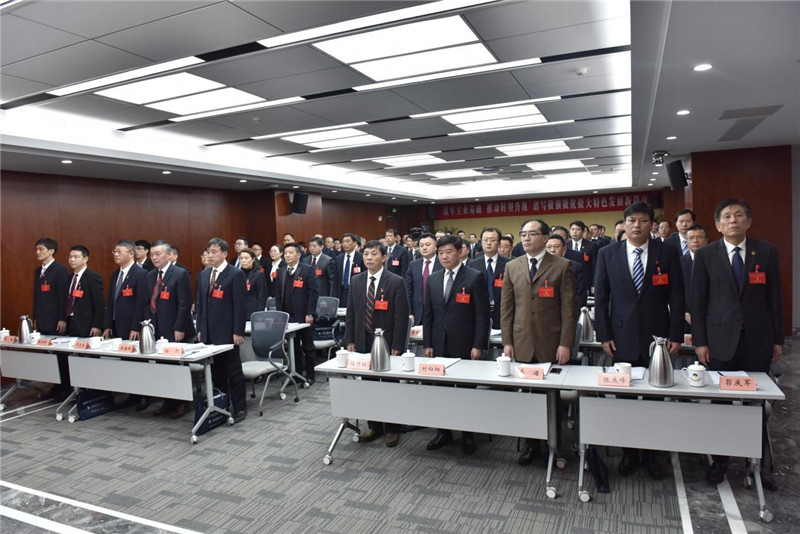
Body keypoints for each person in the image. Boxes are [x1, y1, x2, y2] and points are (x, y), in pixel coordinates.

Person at [692, 199, 783, 488]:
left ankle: (756, 464)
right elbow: (698, 301)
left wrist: (777, 339)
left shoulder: (766, 252)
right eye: (727, 216)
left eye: (739, 215)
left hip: (758, 340)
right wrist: (700, 342)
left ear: (748, 221)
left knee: (756, 404)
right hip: (720, 342)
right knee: (721, 404)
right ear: (718, 225)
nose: (733, 220)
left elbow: (775, 298)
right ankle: (719, 461)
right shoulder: (705, 255)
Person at [594, 202, 685, 480]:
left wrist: (676, 334)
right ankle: (630, 452)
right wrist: (604, 335)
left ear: (651, 224)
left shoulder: (667, 253)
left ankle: (653, 454)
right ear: (624, 224)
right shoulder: (607, 254)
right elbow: (602, 299)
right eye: (632, 220)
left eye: (643, 220)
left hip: (658, 339)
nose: (637, 225)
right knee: (626, 399)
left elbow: (677, 297)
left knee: (655, 399)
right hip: (621, 338)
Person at [501, 219, 577, 465]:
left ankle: (554, 443)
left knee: (552, 397)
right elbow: (507, 308)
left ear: (545, 238)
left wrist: (565, 343)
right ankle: (531, 444)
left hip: (551, 342)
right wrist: (507, 341)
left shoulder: (562, 266)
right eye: (523, 234)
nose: (526, 238)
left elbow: (569, 310)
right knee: (528, 397)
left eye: (532, 234)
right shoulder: (512, 266)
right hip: (521, 340)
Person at [423, 235, 489, 456]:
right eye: (440, 253)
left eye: (448, 252)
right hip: (439, 344)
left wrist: (478, 345)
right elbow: (429, 314)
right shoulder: (433, 279)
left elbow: (482, 316)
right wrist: (428, 343)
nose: (444, 256)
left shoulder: (474, 277)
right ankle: (444, 432)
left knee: (465, 392)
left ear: (460, 252)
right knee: (441, 391)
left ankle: (468, 434)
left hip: (465, 344)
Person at [345, 240, 409, 448]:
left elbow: (401, 317)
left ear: (384, 257)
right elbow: (351, 312)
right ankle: (374, 425)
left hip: (387, 341)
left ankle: (393, 428)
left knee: (389, 385)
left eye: (374, 254)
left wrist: (397, 344)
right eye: (366, 254)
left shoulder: (396, 281)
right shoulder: (356, 280)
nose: (369, 258)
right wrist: (350, 339)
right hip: (362, 339)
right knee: (368, 385)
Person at [195, 238, 248, 422]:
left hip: (228, 332)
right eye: (208, 251)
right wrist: (200, 328)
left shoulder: (235, 274)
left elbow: (240, 306)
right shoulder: (204, 275)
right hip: (209, 333)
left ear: (225, 254)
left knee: (233, 371)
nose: (210, 255)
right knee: (216, 372)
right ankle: (222, 405)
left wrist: (238, 331)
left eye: (214, 252)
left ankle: (240, 407)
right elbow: (201, 304)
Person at [144, 240, 194, 417]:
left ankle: (183, 402)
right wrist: (148, 326)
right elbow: (148, 302)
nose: (154, 257)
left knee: (178, 366)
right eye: (152, 255)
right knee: (162, 367)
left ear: (168, 254)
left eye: (158, 254)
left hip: (174, 329)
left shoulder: (180, 274)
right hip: (156, 328)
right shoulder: (150, 275)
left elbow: (184, 304)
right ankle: (168, 401)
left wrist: (179, 327)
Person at [275, 243, 319, 383]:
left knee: (307, 346)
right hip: (288, 316)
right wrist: (279, 315)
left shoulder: (307, 270)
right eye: (285, 253)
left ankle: (310, 375)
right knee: (293, 347)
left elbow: (313, 293)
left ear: (298, 255)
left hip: (304, 315)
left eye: (291, 252)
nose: (287, 255)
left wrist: (310, 313)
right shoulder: (281, 271)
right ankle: (296, 375)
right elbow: (278, 295)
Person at [103, 239, 148, 341]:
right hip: (114, 326)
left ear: (131, 254)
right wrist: (108, 325)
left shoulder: (140, 274)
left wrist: (136, 327)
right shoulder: (115, 275)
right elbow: (111, 302)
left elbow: (141, 303)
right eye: (115, 251)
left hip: (131, 327)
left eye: (119, 252)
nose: (116, 255)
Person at [468, 227, 507, 332]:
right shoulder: (472, 264)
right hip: (479, 312)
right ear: (481, 242)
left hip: (502, 311)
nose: (488, 243)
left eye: (492, 240)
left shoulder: (509, 264)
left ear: (499, 243)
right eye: (485, 240)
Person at [33, 237, 70, 336]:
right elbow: (37, 297)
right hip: (41, 320)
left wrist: (63, 319)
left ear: (51, 251)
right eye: (37, 249)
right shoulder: (38, 271)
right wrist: (35, 317)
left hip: (55, 321)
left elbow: (64, 297)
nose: (37, 252)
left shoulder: (60, 270)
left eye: (41, 249)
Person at [65, 245, 104, 338]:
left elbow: (99, 304)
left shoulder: (93, 277)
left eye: (76, 257)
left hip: (87, 325)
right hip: (70, 322)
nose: (72, 260)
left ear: (85, 259)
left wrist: (97, 325)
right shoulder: (70, 277)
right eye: (70, 257)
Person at [405, 233, 441, 326]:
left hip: (438, 312)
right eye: (421, 245)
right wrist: (410, 312)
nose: (424, 248)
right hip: (418, 313)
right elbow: (408, 291)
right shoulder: (413, 265)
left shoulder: (442, 264)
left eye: (428, 245)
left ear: (436, 247)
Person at [545, 234, 587, 311]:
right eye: (548, 247)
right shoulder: (539, 267)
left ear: (564, 249)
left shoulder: (575, 267)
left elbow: (580, 295)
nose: (552, 250)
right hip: (546, 311)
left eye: (556, 247)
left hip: (569, 310)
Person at [681, 225, 708, 332]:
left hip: (713, 319)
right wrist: (685, 313)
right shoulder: (679, 263)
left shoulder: (716, 262)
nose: (695, 241)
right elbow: (675, 291)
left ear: (706, 240)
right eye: (691, 238)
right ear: (686, 241)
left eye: (699, 237)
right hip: (686, 320)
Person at [334, 233, 364, 308]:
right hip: (342, 291)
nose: (345, 244)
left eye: (347, 241)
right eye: (343, 242)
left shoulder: (361, 257)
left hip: (356, 291)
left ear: (354, 243)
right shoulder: (338, 258)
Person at [568, 220, 598, 293]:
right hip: (569, 280)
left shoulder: (591, 246)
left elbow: (595, 266)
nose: (574, 232)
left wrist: (594, 284)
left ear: (583, 231)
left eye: (578, 229)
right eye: (572, 229)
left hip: (585, 280)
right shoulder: (566, 245)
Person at [239, 247, 267, 319]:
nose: (243, 261)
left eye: (246, 258)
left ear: (253, 259)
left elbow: (262, 297)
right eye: (241, 258)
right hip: (239, 311)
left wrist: (259, 315)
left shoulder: (258, 275)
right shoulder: (237, 274)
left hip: (252, 312)